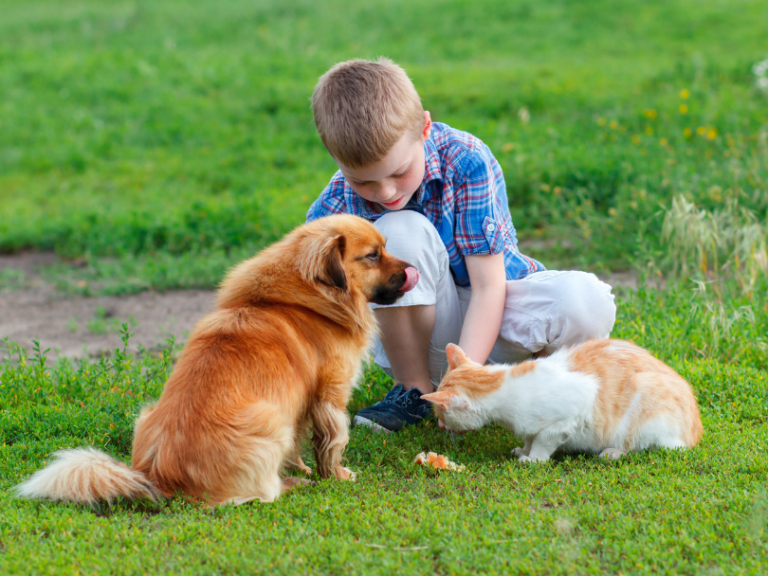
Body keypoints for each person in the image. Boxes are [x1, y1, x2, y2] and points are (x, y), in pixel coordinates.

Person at [306, 58, 616, 432]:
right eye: (363, 183)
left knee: (587, 300)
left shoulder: (465, 160)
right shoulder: (332, 209)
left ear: (423, 128)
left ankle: (546, 388)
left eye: (400, 171)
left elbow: (489, 286)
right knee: (397, 230)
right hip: (417, 336)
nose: (385, 192)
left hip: (492, 312)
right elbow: (312, 305)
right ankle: (414, 392)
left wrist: (465, 377)